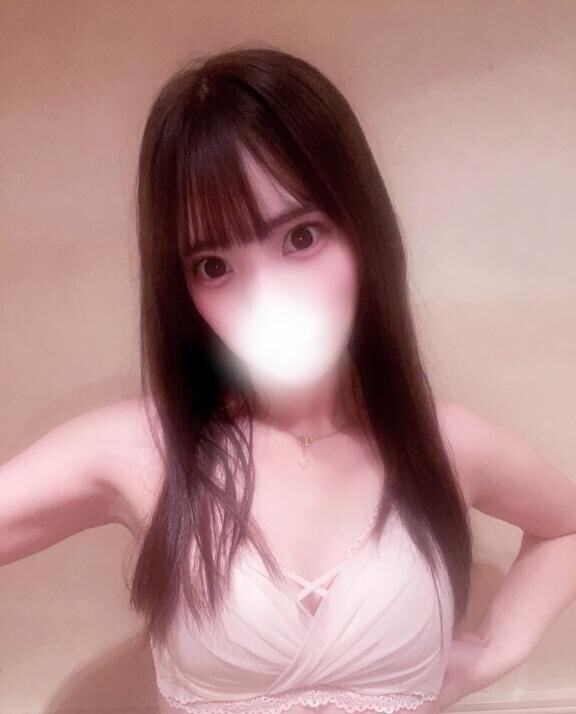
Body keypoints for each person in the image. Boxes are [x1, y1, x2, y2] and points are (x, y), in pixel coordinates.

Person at [4, 44, 576, 714]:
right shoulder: (143, 450)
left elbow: (566, 526)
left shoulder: (442, 444)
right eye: (213, 266)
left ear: (363, 231)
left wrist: (494, 650)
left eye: (301, 237)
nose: (266, 298)